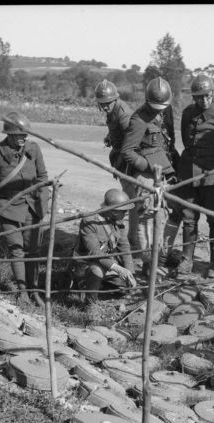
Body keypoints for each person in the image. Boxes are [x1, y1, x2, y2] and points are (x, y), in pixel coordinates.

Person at [163, 74, 214, 279]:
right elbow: (187, 142)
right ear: (193, 97)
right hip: (189, 175)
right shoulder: (188, 113)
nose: (203, 100)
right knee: (189, 218)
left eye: (207, 96)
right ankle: (187, 259)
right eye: (199, 97)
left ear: (213, 93)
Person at [0, 112, 49, 307]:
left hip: (33, 208)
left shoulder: (33, 148)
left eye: (25, 135)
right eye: (19, 135)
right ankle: (22, 291)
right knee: (17, 250)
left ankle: (35, 291)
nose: (23, 138)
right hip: (7, 209)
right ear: (8, 134)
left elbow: (42, 177)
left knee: (34, 251)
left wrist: (43, 203)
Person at [120, 76, 178, 278]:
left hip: (162, 174)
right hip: (145, 176)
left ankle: (156, 261)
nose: (160, 110)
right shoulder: (139, 119)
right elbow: (127, 151)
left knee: (162, 218)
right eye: (156, 106)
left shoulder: (166, 112)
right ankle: (147, 265)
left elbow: (168, 142)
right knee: (146, 219)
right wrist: (149, 167)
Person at [70, 189, 137, 302]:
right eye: (124, 211)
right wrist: (119, 269)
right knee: (97, 271)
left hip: (106, 263)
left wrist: (129, 272)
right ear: (114, 211)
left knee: (124, 286)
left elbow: (124, 248)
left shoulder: (118, 222)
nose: (126, 214)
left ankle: (96, 285)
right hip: (85, 264)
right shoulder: (90, 221)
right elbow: (94, 252)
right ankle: (90, 302)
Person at [94, 79, 137, 250]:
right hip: (121, 158)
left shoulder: (123, 113)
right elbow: (117, 130)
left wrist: (122, 160)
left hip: (129, 162)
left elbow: (132, 140)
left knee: (131, 202)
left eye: (107, 103)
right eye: (101, 104)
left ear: (115, 99)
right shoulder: (114, 110)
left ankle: (132, 242)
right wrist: (110, 137)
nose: (104, 107)